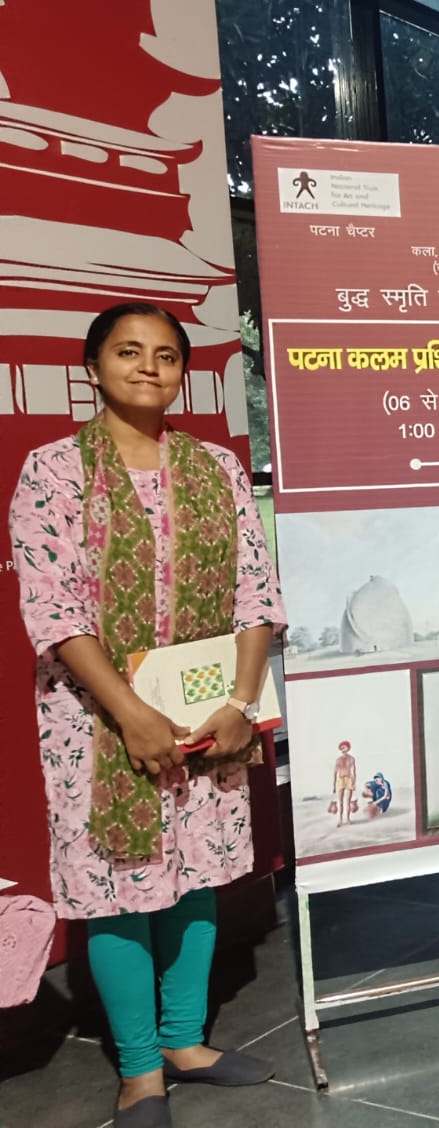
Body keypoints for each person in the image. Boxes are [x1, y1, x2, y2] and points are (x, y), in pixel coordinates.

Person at [9, 303, 285, 1127]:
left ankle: (184, 1041)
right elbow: (53, 607)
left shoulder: (217, 469)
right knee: (118, 888)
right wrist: (129, 713)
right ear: (93, 367)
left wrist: (240, 703)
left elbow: (256, 591)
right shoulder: (54, 471)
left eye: (166, 356)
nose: (148, 368)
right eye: (128, 352)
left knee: (195, 871)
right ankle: (138, 1070)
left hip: (207, 711)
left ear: (181, 373)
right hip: (93, 721)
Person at [332, 741, 358, 827]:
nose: (343, 749)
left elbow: (354, 772)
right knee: (340, 801)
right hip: (340, 779)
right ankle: (340, 820)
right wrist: (334, 785)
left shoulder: (352, 759)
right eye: (342, 748)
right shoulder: (338, 759)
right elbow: (335, 772)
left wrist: (354, 783)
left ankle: (348, 819)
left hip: (349, 779)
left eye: (345, 747)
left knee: (348, 801)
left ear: (348, 748)